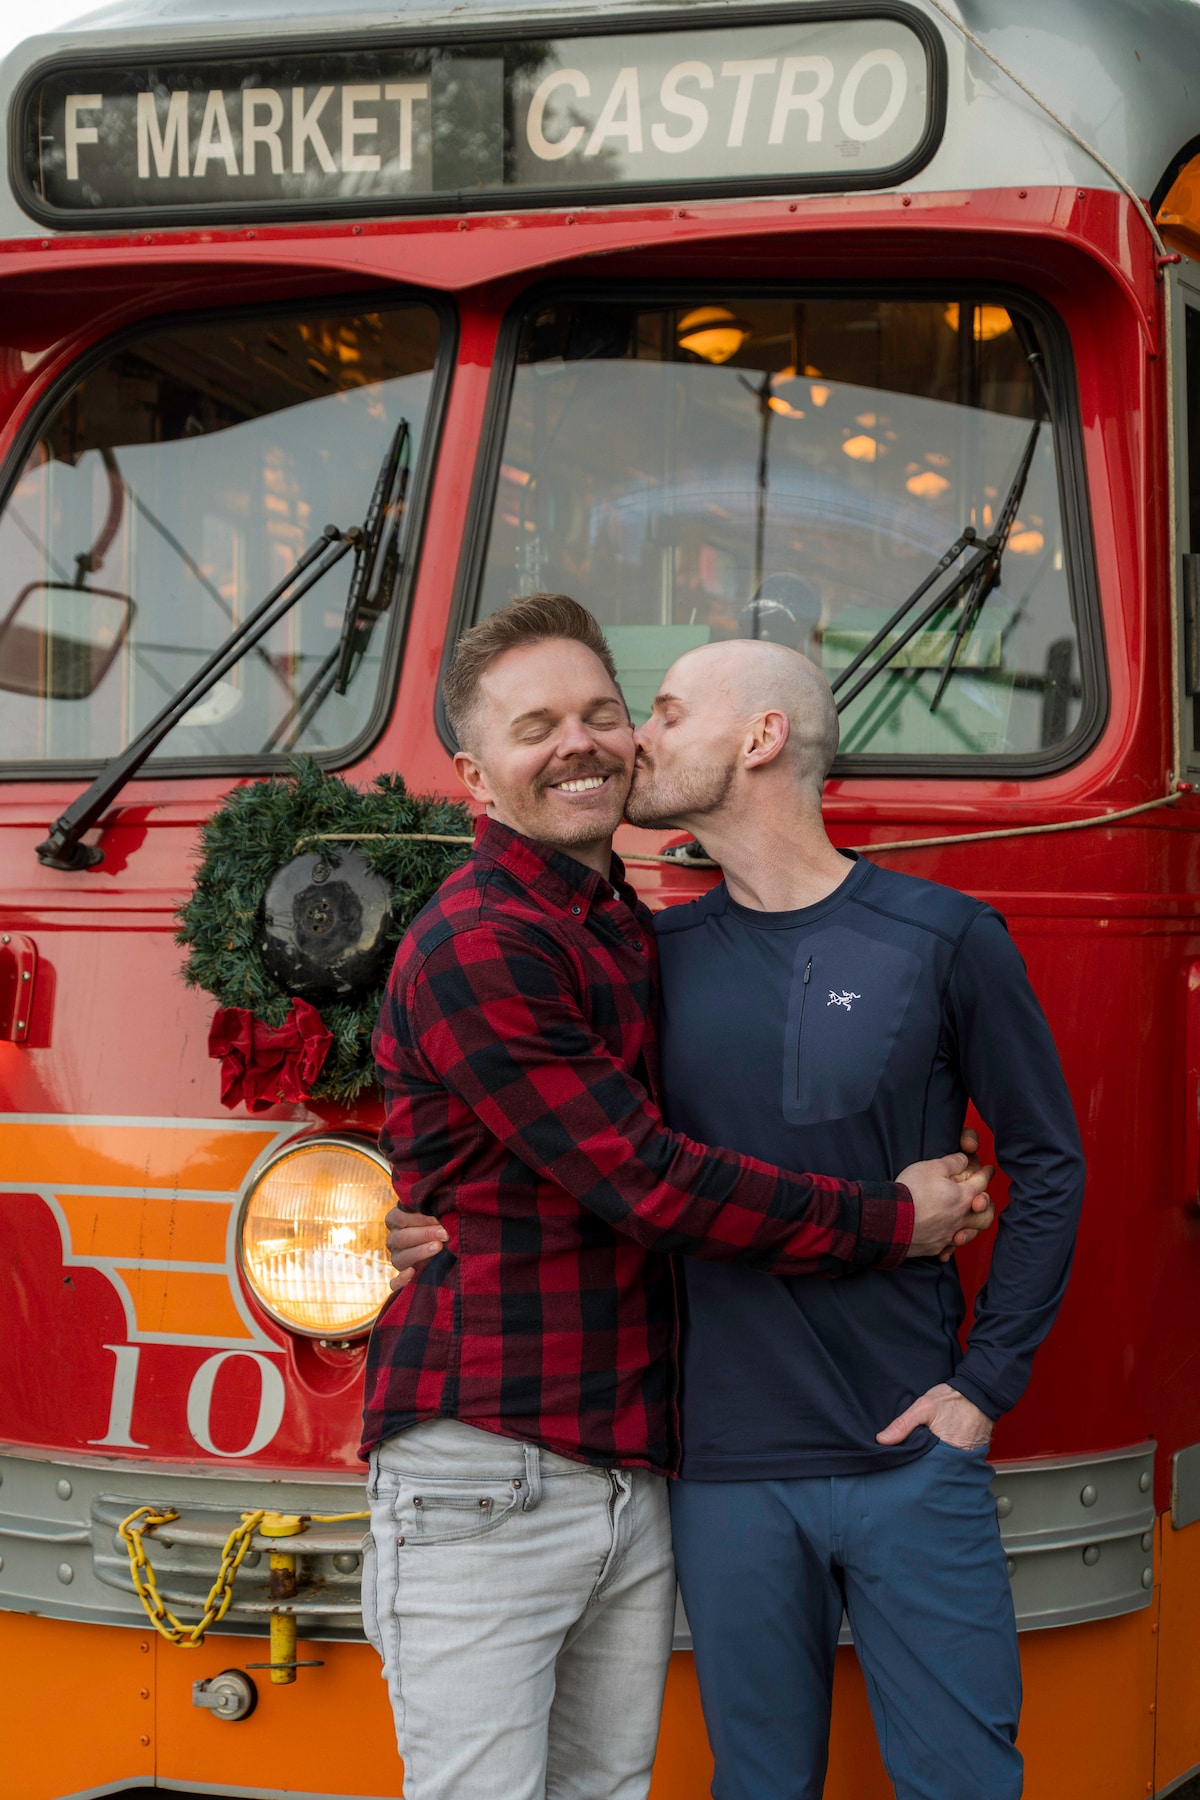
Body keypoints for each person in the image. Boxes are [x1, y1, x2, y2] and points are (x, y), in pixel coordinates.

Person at [362, 593, 994, 1800]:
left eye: (603, 712)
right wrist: (892, 1216)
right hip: (491, 1463)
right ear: (475, 779)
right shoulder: (483, 939)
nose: (584, 743)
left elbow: (693, 1129)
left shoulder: (620, 924)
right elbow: (646, 1180)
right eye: (535, 727)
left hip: (632, 1460)